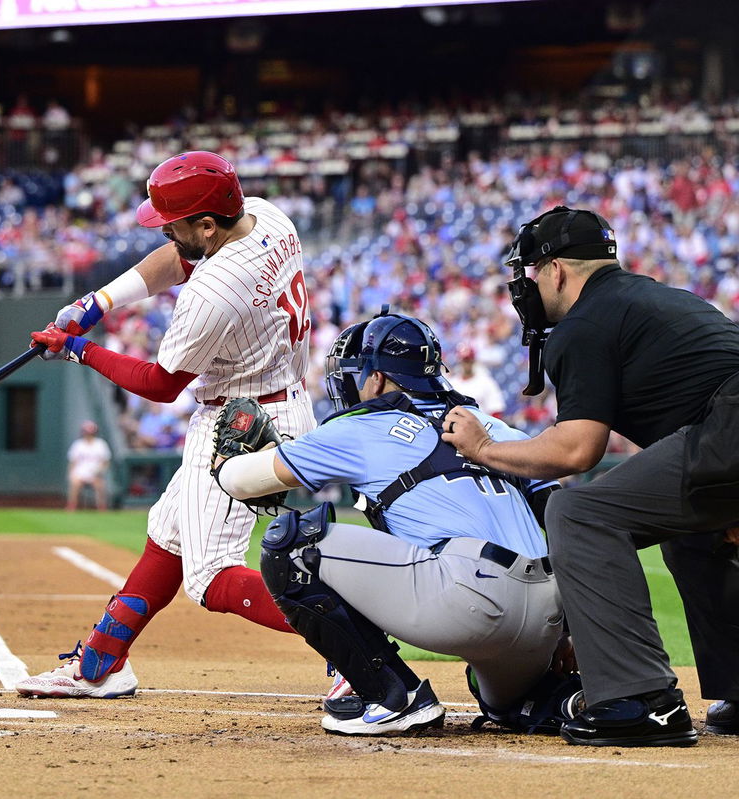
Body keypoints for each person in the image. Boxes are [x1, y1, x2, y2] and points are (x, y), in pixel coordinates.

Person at [16, 151, 316, 698]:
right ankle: (101, 663)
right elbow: (182, 259)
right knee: (167, 536)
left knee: (211, 577)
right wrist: (98, 300)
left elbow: (161, 384)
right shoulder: (265, 216)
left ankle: (353, 650)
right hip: (268, 402)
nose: (168, 234)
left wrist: (80, 350)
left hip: (242, 425)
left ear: (207, 224)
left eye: (175, 225)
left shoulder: (216, 289)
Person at [443, 206, 739, 747]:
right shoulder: (657, 298)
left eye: (532, 273)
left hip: (729, 428)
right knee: (691, 536)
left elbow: (578, 450)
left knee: (577, 513)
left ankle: (642, 700)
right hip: (725, 432)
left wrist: (484, 447)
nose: (528, 287)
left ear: (555, 270)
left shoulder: (583, 322)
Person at [214, 311, 575, 736]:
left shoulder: (362, 426)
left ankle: (393, 696)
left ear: (378, 378)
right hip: (548, 616)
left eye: (356, 374)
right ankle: (558, 697)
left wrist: (225, 461)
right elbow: (562, 521)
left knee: (291, 544)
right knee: (506, 702)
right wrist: (568, 631)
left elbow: (240, 481)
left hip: (468, 601)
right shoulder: (496, 427)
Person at [446, 343, 506, 417]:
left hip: (481, 424)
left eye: (469, 360)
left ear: (473, 361)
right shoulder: (451, 383)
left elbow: (496, 410)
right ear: (459, 361)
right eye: (464, 360)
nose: (466, 364)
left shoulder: (486, 382)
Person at [67, 421, 111, 511]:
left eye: (90, 433)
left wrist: (100, 470)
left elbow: (106, 462)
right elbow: (72, 462)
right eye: (86, 432)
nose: (88, 435)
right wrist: (71, 474)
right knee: (75, 483)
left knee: (100, 485)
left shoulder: (100, 444)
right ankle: (71, 506)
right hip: (80, 473)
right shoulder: (78, 444)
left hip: (95, 474)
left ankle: (101, 507)